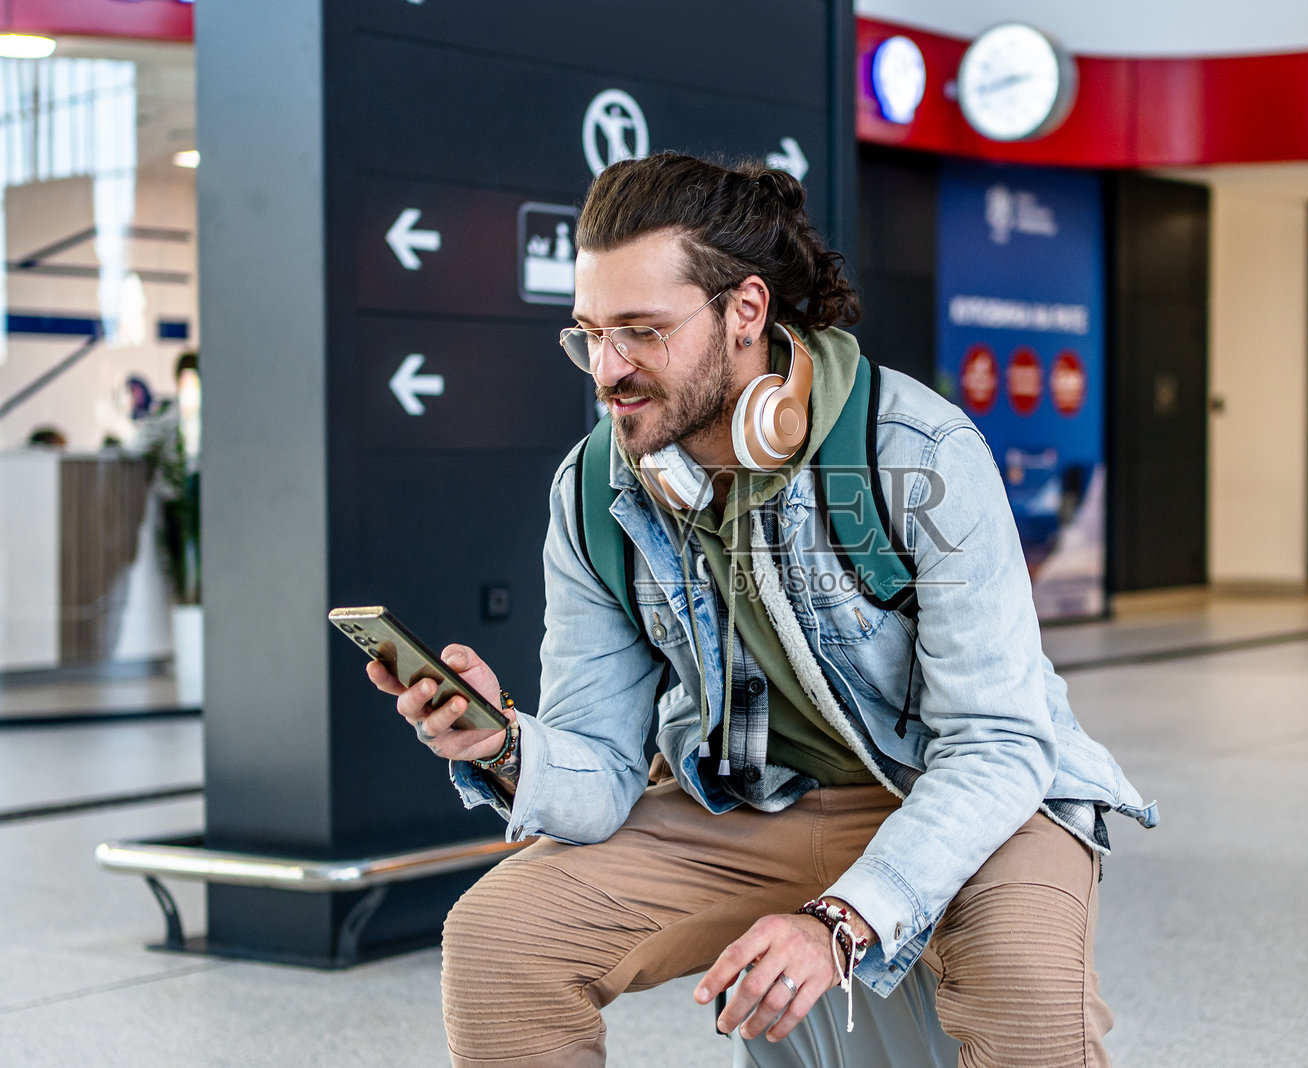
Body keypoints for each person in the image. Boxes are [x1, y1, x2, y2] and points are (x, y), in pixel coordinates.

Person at [366, 152, 1156, 1068]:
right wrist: (501, 744)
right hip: (758, 811)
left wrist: (841, 921)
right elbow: (599, 769)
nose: (606, 370)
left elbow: (999, 742)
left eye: (642, 331)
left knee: (1021, 987)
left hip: (966, 794)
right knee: (499, 938)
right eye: (588, 333)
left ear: (745, 312)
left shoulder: (919, 453)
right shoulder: (596, 491)